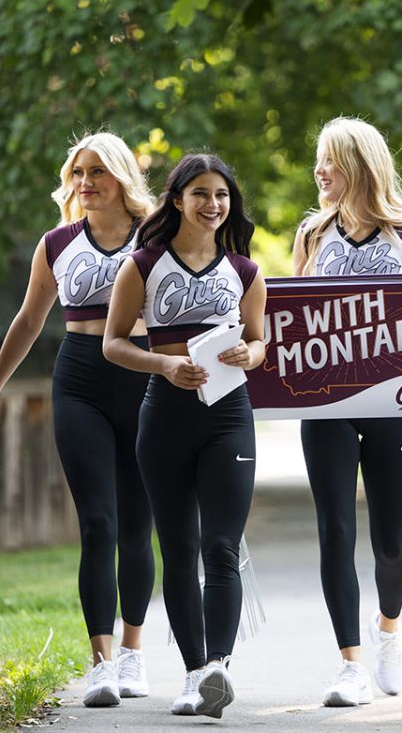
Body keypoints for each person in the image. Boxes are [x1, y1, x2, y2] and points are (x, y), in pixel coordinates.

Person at [0, 132, 157, 707]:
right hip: (78, 380)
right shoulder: (56, 243)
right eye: (78, 173)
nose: (86, 183)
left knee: (136, 524)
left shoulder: (157, 239)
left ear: (123, 177)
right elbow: (29, 320)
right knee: (98, 523)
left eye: (98, 172)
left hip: (145, 380)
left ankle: (132, 653)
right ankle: (100, 662)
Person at [103, 153, 266, 719]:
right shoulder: (143, 265)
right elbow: (113, 343)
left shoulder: (245, 271)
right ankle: (194, 673)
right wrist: (164, 366)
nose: (212, 204)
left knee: (221, 546)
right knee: (177, 549)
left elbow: (261, 343)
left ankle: (218, 665)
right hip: (165, 417)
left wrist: (252, 351)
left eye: (221, 195)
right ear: (177, 200)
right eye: (200, 193)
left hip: (228, 417)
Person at [291, 117, 402, 707]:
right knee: (334, 532)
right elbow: (291, 319)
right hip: (325, 407)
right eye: (319, 160)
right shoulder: (310, 235)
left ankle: (389, 631)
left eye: (329, 161)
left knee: (391, 542)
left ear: (359, 167)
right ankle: (349, 663)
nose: (319, 171)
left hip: (392, 405)